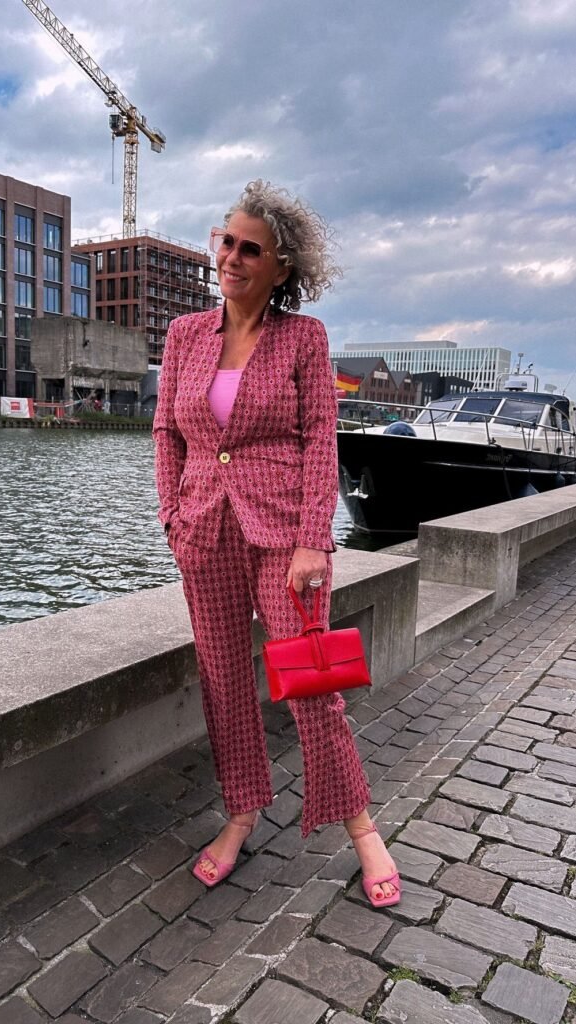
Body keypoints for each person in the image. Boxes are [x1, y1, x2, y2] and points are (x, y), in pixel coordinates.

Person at [153, 180, 400, 908]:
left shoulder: (303, 339)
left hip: (281, 540)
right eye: (224, 240)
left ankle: (360, 828)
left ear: (280, 268)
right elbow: (166, 432)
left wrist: (311, 542)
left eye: (248, 248)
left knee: (311, 686)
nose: (230, 256)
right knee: (224, 682)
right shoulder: (183, 336)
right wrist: (172, 513)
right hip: (204, 533)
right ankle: (240, 813)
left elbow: (320, 438)